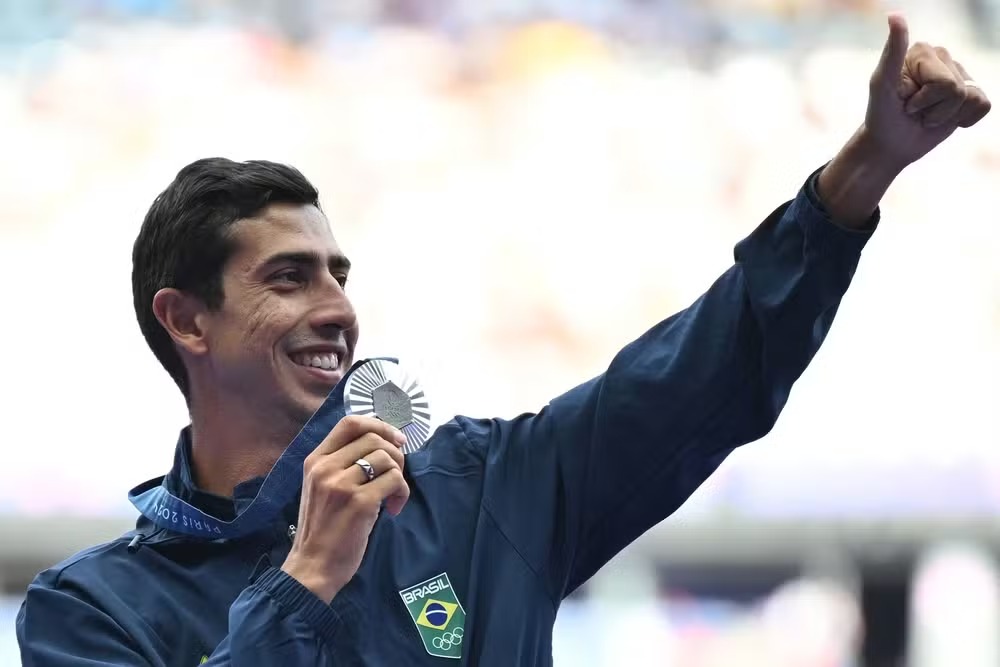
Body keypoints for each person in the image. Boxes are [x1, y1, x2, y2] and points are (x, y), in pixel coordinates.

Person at [16, 15, 991, 666]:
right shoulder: (91, 612)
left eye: (337, 275)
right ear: (186, 320)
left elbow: (704, 376)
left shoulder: (476, 489)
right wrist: (304, 579)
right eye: (287, 277)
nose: (334, 310)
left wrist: (859, 176)